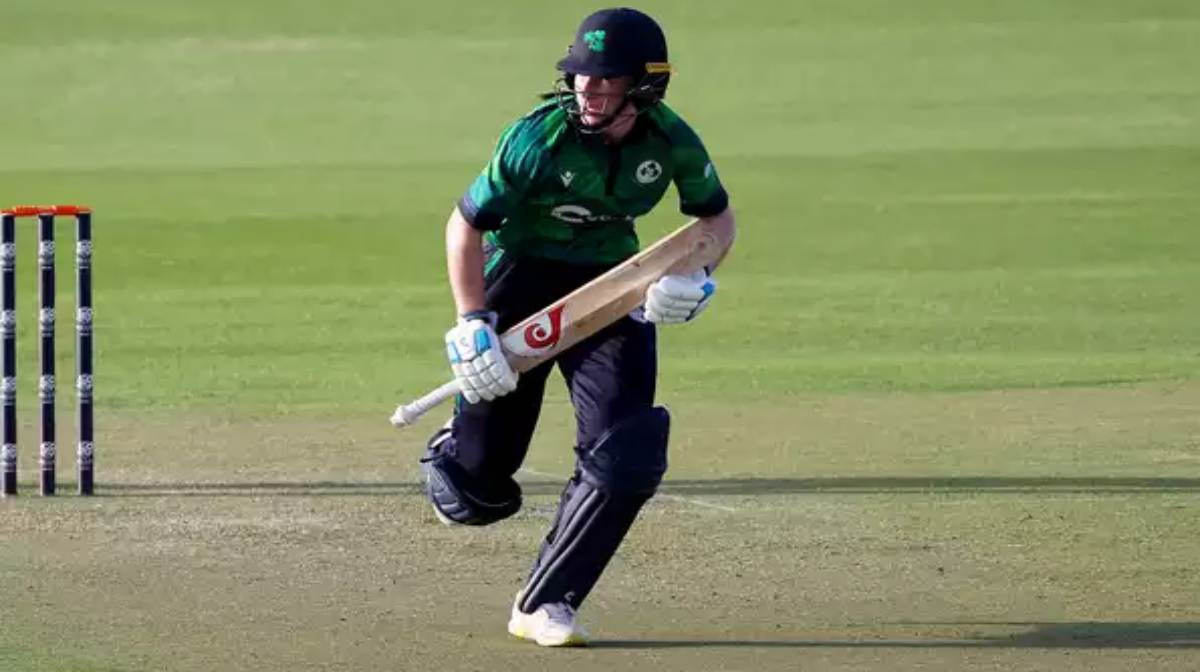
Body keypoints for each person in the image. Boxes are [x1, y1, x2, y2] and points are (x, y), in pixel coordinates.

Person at [421, 7, 736, 646]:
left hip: (609, 286)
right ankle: (453, 450)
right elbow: (465, 225)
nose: (586, 90)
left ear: (645, 86)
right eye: (579, 77)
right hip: (518, 277)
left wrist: (696, 278)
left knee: (628, 452)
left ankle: (547, 602)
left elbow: (716, 222)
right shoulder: (535, 139)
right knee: (477, 493)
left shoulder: (672, 140)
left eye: (604, 79)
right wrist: (471, 321)